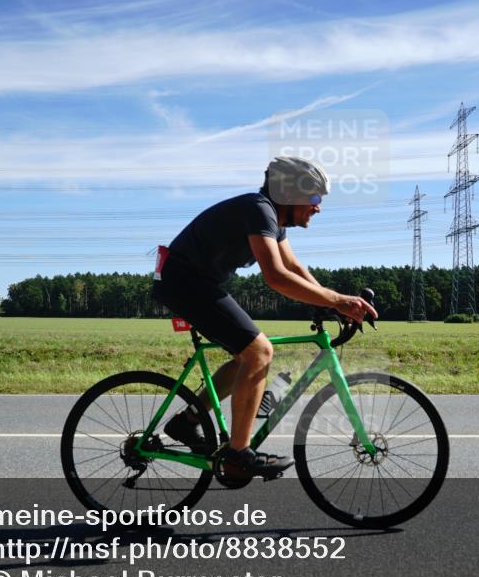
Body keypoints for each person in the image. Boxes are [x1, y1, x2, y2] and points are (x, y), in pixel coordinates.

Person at [151, 156, 378, 477]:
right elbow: (276, 277)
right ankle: (239, 455)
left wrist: (329, 304)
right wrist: (339, 301)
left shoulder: (274, 221)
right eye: (314, 198)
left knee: (248, 355)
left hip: (197, 281)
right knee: (259, 351)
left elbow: (294, 268)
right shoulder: (259, 209)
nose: (318, 207)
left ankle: (187, 421)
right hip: (183, 281)